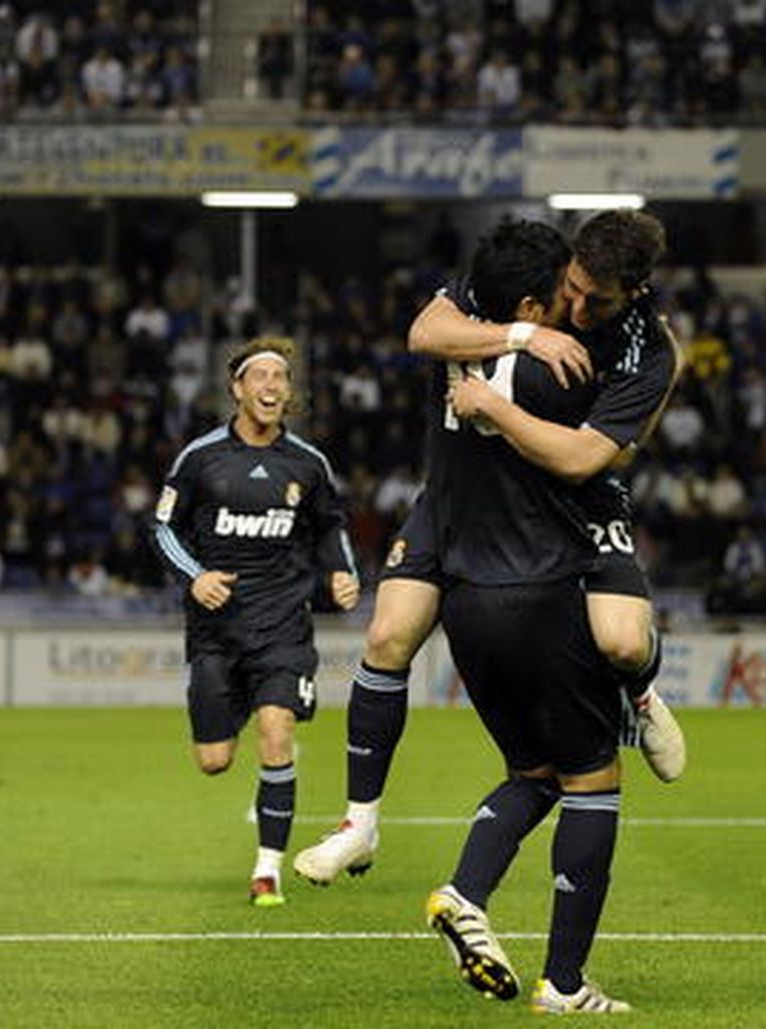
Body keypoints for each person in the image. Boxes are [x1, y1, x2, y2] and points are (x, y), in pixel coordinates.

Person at [295, 210, 685, 887]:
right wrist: (525, 334)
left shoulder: (646, 348)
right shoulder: (524, 284)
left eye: (600, 299)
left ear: (637, 291)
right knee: (387, 635)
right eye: (575, 288)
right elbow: (424, 331)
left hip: (575, 506)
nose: (581, 307)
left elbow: (587, 458)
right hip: (455, 499)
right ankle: (359, 823)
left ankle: (643, 695)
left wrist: (493, 404)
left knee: (622, 642)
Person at [407, 220, 634, 1012]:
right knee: (593, 775)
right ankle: (564, 984)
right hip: (540, 591)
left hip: (464, 601)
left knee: (531, 773)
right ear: (539, 301)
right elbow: (593, 460)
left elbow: (426, 328)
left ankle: (466, 894)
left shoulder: (454, 354)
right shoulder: (565, 367)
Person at [152, 336, 361, 907]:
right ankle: (238, 705)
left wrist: (342, 573)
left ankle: (266, 870)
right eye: (260, 376)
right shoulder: (200, 458)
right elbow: (164, 528)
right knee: (215, 761)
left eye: (280, 378)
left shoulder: (308, 464)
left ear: (288, 393)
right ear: (237, 388)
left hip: (283, 627)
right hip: (216, 631)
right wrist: (195, 576)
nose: (271, 386)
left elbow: (330, 529)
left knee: (277, 735)